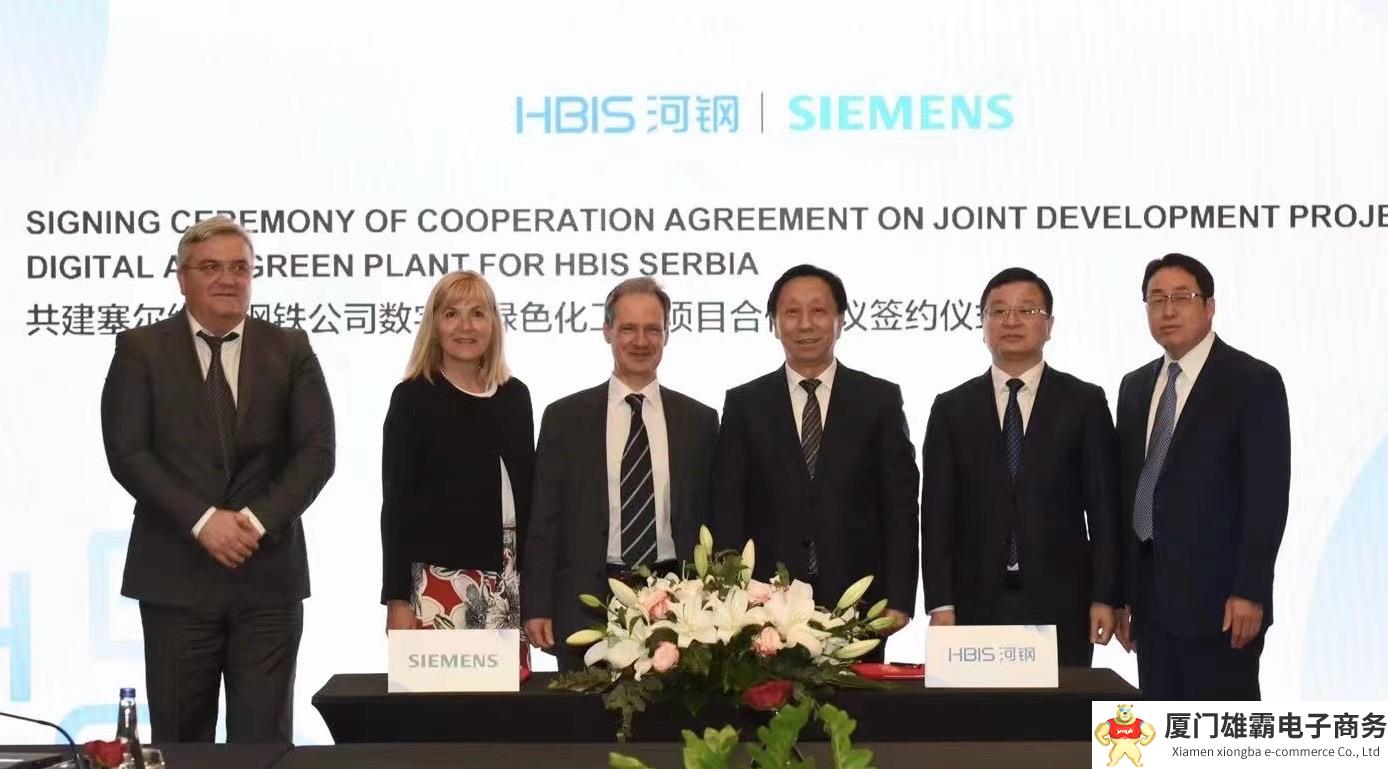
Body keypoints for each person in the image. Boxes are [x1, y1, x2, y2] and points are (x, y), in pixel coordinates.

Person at [100, 216, 335, 742]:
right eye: (210, 267)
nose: (227, 279)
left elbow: (317, 453)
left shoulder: (290, 347)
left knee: (264, 744)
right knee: (181, 742)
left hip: (267, 577)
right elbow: (128, 453)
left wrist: (253, 522)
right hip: (176, 577)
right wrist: (204, 521)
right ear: (182, 279)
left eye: (239, 268)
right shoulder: (140, 348)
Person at [712, 264, 919, 651]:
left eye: (818, 310)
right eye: (791, 311)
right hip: (765, 603)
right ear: (774, 324)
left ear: (841, 320)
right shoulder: (745, 404)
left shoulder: (878, 400)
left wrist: (900, 596)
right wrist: (731, 594)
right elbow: (727, 507)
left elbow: (900, 505)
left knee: (856, 693)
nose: (805, 323)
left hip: (859, 601)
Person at [921, 267, 1119, 666]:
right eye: (998, 311)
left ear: (1049, 326)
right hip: (973, 602)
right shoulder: (951, 408)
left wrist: (1105, 596)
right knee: (977, 706)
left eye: (1027, 310)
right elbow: (937, 514)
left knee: (1059, 705)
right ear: (983, 326)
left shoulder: (1084, 402)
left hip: (1063, 600)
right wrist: (941, 603)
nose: (1011, 321)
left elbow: (1104, 510)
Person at [1114, 253, 1290, 699]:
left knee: (1218, 730)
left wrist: (1250, 590)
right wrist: (1123, 594)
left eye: (1182, 297)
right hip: (1151, 601)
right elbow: (1129, 491)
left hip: (1222, 604)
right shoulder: (1134, 387)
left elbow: (1267, 498)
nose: (1168, 310)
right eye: (1156, 299)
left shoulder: (1253, 381)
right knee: (1162, 729)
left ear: (1209, 307)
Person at [523, 278, 719, 671]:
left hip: (678, 606)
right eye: (628, 328)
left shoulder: (699, 420)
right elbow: (545, 519)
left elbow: (713, 517)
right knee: (584, 710)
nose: (641, 341)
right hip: (584, 604)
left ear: (666, 334)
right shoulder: (564, 418)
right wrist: (538, 604)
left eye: (653, 329)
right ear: (607, 331)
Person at [379, 271, 534, 670]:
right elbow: (397, 509)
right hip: (436, 587)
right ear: (434, 325)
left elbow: (528, 500)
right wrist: (398, 600)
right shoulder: (412, 398)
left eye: (477, 313)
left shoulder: (516, 397)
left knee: (504, 703)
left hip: (507, 584)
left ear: (494, 323)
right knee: (437, 705)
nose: (466, 326)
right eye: (452, 314)